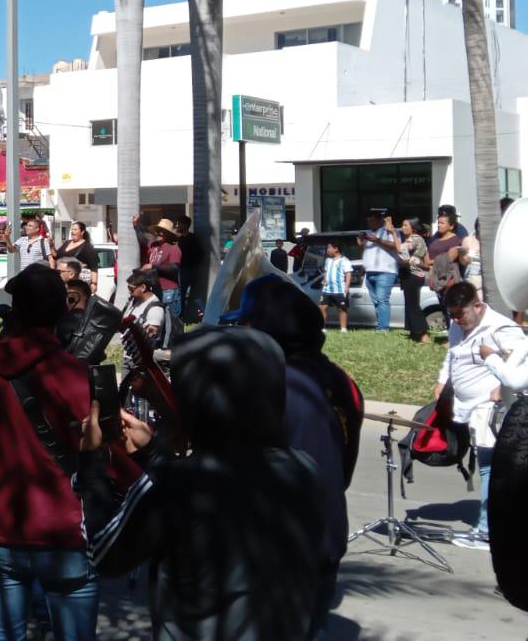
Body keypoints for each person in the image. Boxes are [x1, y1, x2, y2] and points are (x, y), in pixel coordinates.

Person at [90, 327, 328, 640]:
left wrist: (92, 462)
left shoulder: (175, 483)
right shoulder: (304, 469)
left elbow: (105, 555)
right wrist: (152, 453)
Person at [0, 263, 101, 641]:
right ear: (63, 313)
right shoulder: (79, 374)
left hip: (0, 528)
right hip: (66, 531)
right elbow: (96, 457)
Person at [236, 277, 364, 633]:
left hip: (279, 551)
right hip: (326, 537)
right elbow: (345, 470)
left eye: (247, 324)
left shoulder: (272, 385)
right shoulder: (342, 380)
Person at [435, 281, 522, 551]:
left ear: (477, 305)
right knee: (483, 464)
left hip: (490, 407)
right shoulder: (456, 325)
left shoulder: (501, 328)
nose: (456, 320)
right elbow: (452, 355)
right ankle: (493, 525)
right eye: (452, 315)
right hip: (464, 407)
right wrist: (442, 380)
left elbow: (520, 363)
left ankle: (486, 529)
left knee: (488, 467)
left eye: (461, 314)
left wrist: (501, 386)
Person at [358, 211, 401, 331]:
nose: (370, 223)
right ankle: (380, 325)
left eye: (372, 220)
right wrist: (360, 244)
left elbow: (395, 246)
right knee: (376, 301)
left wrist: (377, 240)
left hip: (386, 271)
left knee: (382, 300)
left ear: (379, 220)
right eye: (368, 221)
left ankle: (383, 328)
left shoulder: (389, 232)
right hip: (370, 271)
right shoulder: (367, 234)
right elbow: (364, 252)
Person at [133, 216, 183, 316]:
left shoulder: (174, 249)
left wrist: (153, 266)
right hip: (155, 289)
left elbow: (174, 268)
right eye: (159, 230)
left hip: (169, 291)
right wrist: (136, 226)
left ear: (169, 235)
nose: (160, 233)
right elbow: (143, 239)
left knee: (171, 322)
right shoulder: (153, 245)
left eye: (163, 231)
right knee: (157, 319)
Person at [398, 217, 432, 344]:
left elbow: (400, 249)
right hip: (408, 275)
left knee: (413, 306)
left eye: (406, 225)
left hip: (413, 275)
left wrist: (392, 234)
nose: (403, 227)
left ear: (414, 227)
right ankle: (414, 332)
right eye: (402, 225)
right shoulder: (412, 239)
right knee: (409, 304)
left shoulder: (415, 239)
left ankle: (424, 334)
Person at [119, 269, 166, 345]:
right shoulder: (136, 301)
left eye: (132, 289)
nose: (129, 292)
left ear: (143, 287)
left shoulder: (155, 309)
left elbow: (151, 336)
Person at [173, 216, 207, 321]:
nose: (177, 226)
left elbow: (200, 254)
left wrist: (193, 267)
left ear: (186, 225)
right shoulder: (178, 239)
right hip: (182, 271)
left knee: (194, 296)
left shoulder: (192, 238)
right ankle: (182, 316)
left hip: (190, 271)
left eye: (179, 223)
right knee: (181, 295)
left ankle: (204, 315)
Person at [319, 241, 351, 332]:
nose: (327, 250)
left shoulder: (345, 261)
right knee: (322, 307)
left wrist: (347, 287)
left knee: (342, 309)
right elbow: (326, 271)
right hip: (327, 289)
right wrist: (324, 280)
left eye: (329, 248)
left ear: (336, 248)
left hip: (339, 290)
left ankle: (343, 329)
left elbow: (348, 274)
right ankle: (323, 328)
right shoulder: (328, 260)